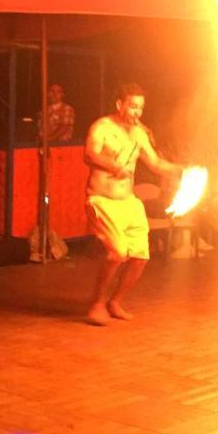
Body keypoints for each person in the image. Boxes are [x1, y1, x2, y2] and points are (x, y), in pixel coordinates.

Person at [83, 83, 182, 325]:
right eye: (133, 106)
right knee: (117, 252)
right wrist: (115, 165)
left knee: (140, 257)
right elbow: (89, 154)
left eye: (141, 108)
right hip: (102, 200)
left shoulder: (138, 134)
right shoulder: (101, 127)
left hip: (129, 202)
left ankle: (115, 301)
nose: (137, 112)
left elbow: (156, 163)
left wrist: (182, 171)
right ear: (120, 104)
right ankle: (97, 304)